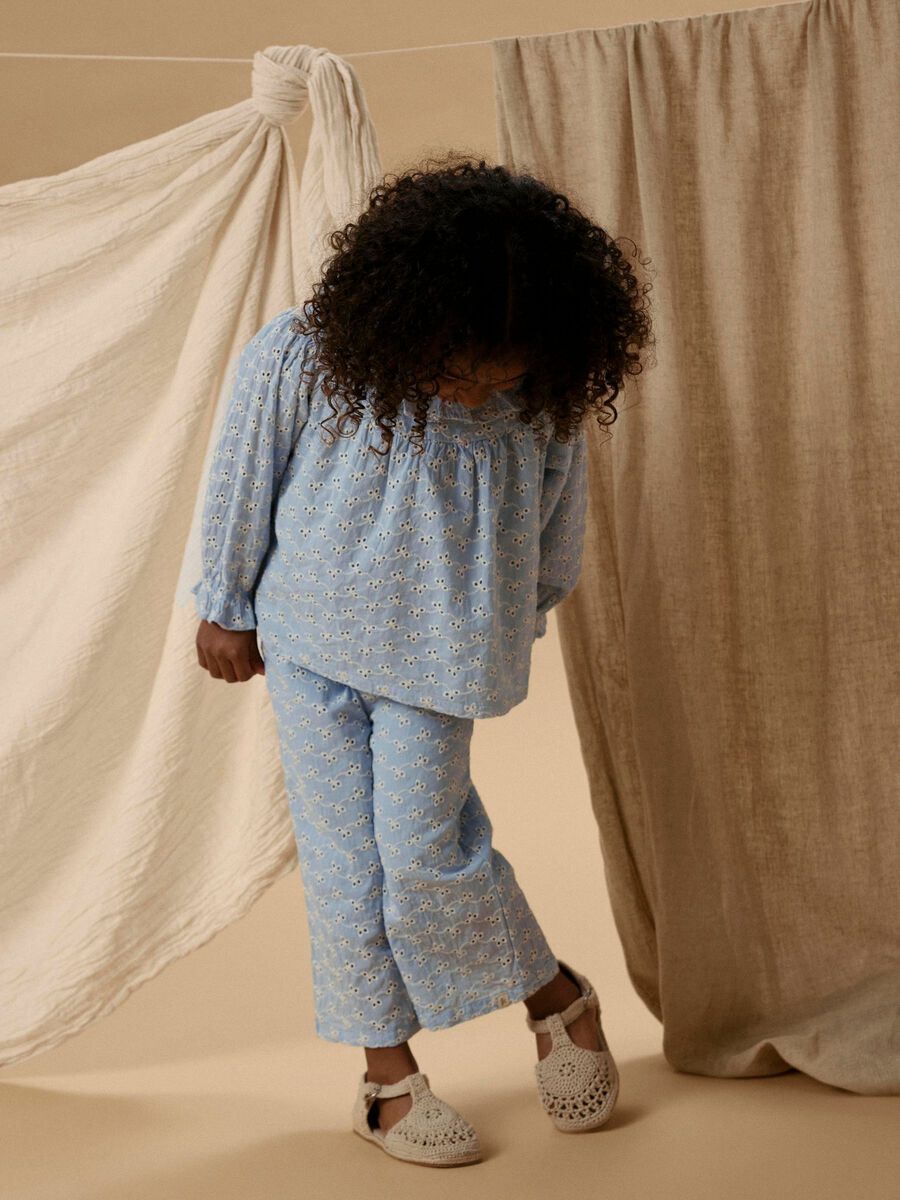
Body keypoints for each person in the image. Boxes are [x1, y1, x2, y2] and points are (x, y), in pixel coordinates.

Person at [191, 152, 654, 1166]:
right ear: (408, 314)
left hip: (439, 659)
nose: (479, 386)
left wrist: (514, 616)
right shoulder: (304, 359)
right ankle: (386, 1082)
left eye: (502, 367)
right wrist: (223, 604)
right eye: (459, 363)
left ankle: (556, 997)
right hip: (307, 645)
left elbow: (552, 528)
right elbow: (240, 477)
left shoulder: (542, 401)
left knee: (422, 853)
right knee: (345, 868)